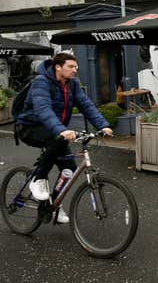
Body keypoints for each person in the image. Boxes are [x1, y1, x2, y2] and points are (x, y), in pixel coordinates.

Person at [15, 52, 113, 223]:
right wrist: (61, 130)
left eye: (76, 67)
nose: (75, 70)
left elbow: (86, 105)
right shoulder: (41, 82)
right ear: (58, 67)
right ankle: (37, 180)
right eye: (71, 66)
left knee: (69, 169)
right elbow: (43, 109)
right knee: (56, 140)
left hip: (55, 130)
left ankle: (52, 206)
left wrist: (103, 125)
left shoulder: (72, 84)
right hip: (30, 128)